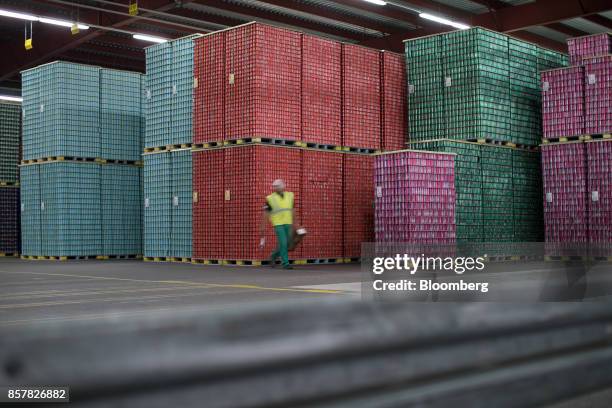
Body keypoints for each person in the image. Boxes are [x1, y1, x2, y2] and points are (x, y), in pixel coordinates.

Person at [260, 179, 294, 269]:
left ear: (283, 186)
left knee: (288, 244)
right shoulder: (270, 198)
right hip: (278, 223)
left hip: (288, 222)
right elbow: (266, 213)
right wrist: (263, 226)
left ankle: (273, 256)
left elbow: (293, 210)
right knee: (283, 243)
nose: (275, 188)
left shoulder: (290, 196)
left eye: (277, 186)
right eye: (274, 186)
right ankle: (285, 263)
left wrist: (296, 223)